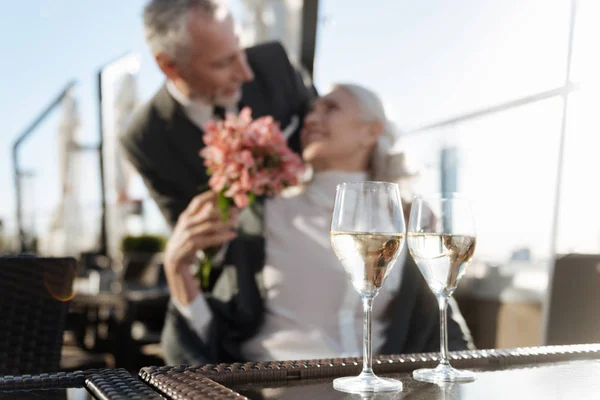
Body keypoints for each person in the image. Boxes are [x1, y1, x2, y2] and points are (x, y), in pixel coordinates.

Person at [161, 83, 474, 364]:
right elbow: (215, 339)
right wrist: (177, 271)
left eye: (331, 108)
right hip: (270, 389)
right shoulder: (260, 216)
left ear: (370, 131)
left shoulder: (409, 220)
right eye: (310, 112)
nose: (310, 119)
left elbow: (441, 326)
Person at [121, 0, 316, 228]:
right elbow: (192, 236)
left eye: (240, 49)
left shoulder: (275, 63)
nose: (245, 74)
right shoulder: (145, 138)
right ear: (169, 66)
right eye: (223, 63)